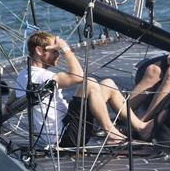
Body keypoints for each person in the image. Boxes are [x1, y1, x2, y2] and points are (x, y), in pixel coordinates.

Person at [13, 30, 152, 147]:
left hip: (68, 124)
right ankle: (111, 134)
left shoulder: (23, 75)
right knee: (89, 83)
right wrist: (66, 48)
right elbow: (79, 76)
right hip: (64, 137)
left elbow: (12, 100)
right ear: (39, 50)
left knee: (108, 84)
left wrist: (1, 116)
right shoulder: (44, 77)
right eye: (55, 51)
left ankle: (141, 127)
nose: (58, 55)